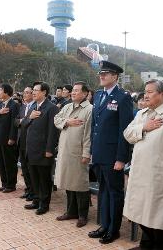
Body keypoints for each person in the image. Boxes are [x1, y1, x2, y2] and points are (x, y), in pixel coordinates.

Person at [124, 79, 163, 249]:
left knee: (158, 218)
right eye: (145, 91)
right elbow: (127, 134)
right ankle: (147, 243)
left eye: (150, 91)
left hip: (158, 176)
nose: (146, 95)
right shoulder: (141, 114)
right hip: (139, 173)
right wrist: (144, 127)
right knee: (142, 215)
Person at [88, 61, 133, 244]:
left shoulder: (123, 97)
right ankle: (104, 225)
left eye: (106, 73)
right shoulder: (98, 95)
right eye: (101, 73)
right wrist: (92, 151)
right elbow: (94, 127)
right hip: (99, 153)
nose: (102, 76)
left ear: (115, 76)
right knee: (103, 191)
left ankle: (114, 229)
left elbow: (125, 130)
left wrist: (121, 158)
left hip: (113, 156)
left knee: (115, 193)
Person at [54, 81, 93, 228]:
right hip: (65, 149)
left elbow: (88, 134)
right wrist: (67, 121)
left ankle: (83, 215)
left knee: (80, 183)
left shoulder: (89, 109)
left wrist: (86, 153)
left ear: (85, 93)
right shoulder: (67, 106)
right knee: (68, 181)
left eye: (77, 90)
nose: (73, 93)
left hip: (78, 151)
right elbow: (56, 119)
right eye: (73, 90)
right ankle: (71, 211)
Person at [22, 82, 59, 215]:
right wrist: (29, 118)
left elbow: (53, 131)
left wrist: (49, 150)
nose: (33, 93)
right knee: (34, 177)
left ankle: (44, 203)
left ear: (44, 92)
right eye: (33, 90)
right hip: (31, 149)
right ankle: (36, 200)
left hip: (43, 151)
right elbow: (24, 124)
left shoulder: (51, 108)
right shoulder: (33, 107)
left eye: (36, 90)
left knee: (44, 178)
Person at [0, 83, 20, 193]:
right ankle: (4, 183)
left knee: (9, 162)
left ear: (6, 92)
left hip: (8, 138)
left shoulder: (14, 105)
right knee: (2, 162)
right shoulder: (0, 104)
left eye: (0, 90)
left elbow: (15, 123)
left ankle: (11, 185)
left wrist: (12, 138)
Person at [15, 86, 35, 200]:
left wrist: (23, 121)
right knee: (24, 169)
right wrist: (22, 121)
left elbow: (28, 122)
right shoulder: (22, 106)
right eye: (24, 92)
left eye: (27, 92)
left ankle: (33, 191)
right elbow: (15, 121)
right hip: (21, 141)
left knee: (30, 168)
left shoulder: (35, 107)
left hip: (30, 142)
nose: (25, 94)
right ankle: (28, 190)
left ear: (33, 94)